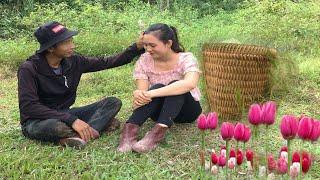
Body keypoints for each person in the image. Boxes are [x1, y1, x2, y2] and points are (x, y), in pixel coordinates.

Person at [18, 21, 144, 149]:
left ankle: (75, 137)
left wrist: (136, 47)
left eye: (71, 41)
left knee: (112, 102)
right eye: (66, 43)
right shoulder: (29, 69)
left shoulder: (74, 61)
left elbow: (107, 62)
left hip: (65, 113)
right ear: (50, 48)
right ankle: (91, 128)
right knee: (56, 127)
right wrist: (72, 120)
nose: (72, 46)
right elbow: (29, 107)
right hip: (38, 120)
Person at [117, 23, 202, 153]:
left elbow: (189, 84)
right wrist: (139, 95)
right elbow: (143, 91)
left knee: (176, 84)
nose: (148, 49)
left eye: (152, 45)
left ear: (168, 43)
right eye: (145, 45)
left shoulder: (186, 58)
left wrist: (153, 93)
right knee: (157, 87)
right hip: (158, 113)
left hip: (187, 111)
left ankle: (155, 135)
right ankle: (128, 133)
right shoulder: (145, 60)